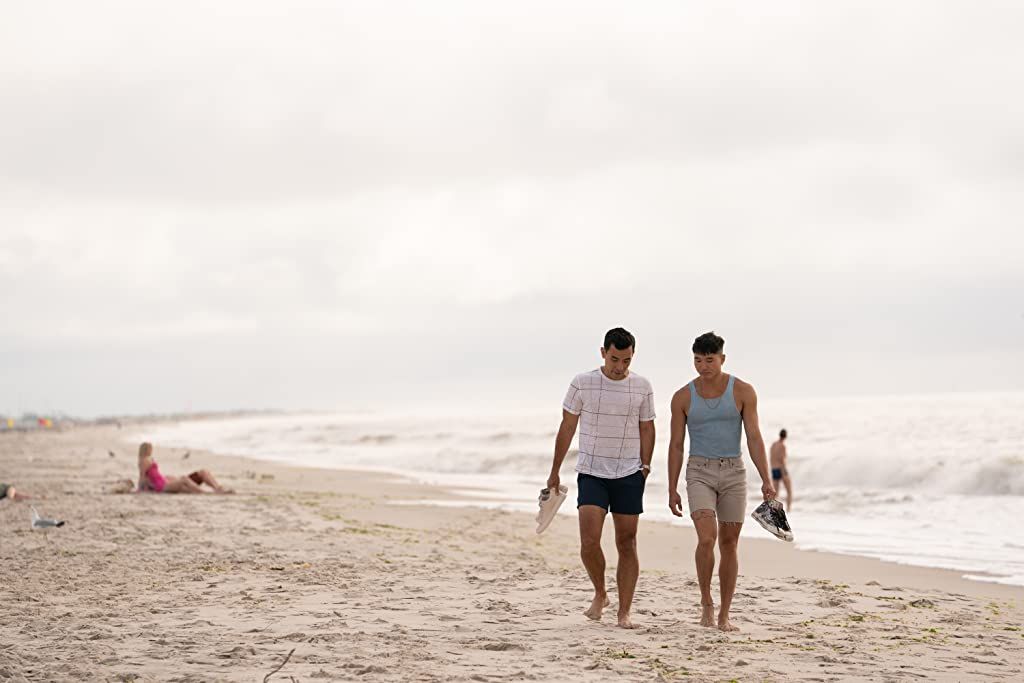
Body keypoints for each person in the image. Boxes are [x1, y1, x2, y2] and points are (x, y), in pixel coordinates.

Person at [546, 327, 656, 629]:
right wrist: (555, 470)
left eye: (626, 361)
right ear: (603, 352)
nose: (620, 367)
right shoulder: (583, 383)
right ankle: (600, 592)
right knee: (589, 542)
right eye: (614, 359)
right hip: (592, 472)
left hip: (629, 473)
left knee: (627, 541)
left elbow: (647, 428)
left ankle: (624, 612)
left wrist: (645, 467)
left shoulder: (642, 386)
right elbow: (567, 427)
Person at [667, 331, 775, 632]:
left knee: (729, 544)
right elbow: (676, 444)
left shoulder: (743, 391)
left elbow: (754, 437)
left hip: (734, 473)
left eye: (709, 360)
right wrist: (671, 486)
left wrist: (766, 479)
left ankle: (725, 613)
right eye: (698, 360)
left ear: (722, 359)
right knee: (706, 538)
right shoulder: (682, 397)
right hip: (698, 471)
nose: (703, 366)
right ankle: (706, 602)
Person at [137, 442, 233, 494]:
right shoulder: (143, 461)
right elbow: (142, 479)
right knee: (184, 479)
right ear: (146, 450)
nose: (151, 450)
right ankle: (203, 493)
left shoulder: (149, 459)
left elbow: (155, 476)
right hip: (162, 487)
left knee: (203, 472)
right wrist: (141, 490)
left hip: (166, 482)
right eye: (150, 448)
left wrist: (167, 478)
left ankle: (218, 488)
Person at [770, 429, 793, 511]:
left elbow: (771, 457)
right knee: (789, 491)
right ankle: (789, 509)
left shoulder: (773, 444)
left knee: (775, 493)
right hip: (781, 469)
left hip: (774, 469)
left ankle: (772, 510)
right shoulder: (782, 446)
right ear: (785, 436)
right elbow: (782, 459)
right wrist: (784, 471)